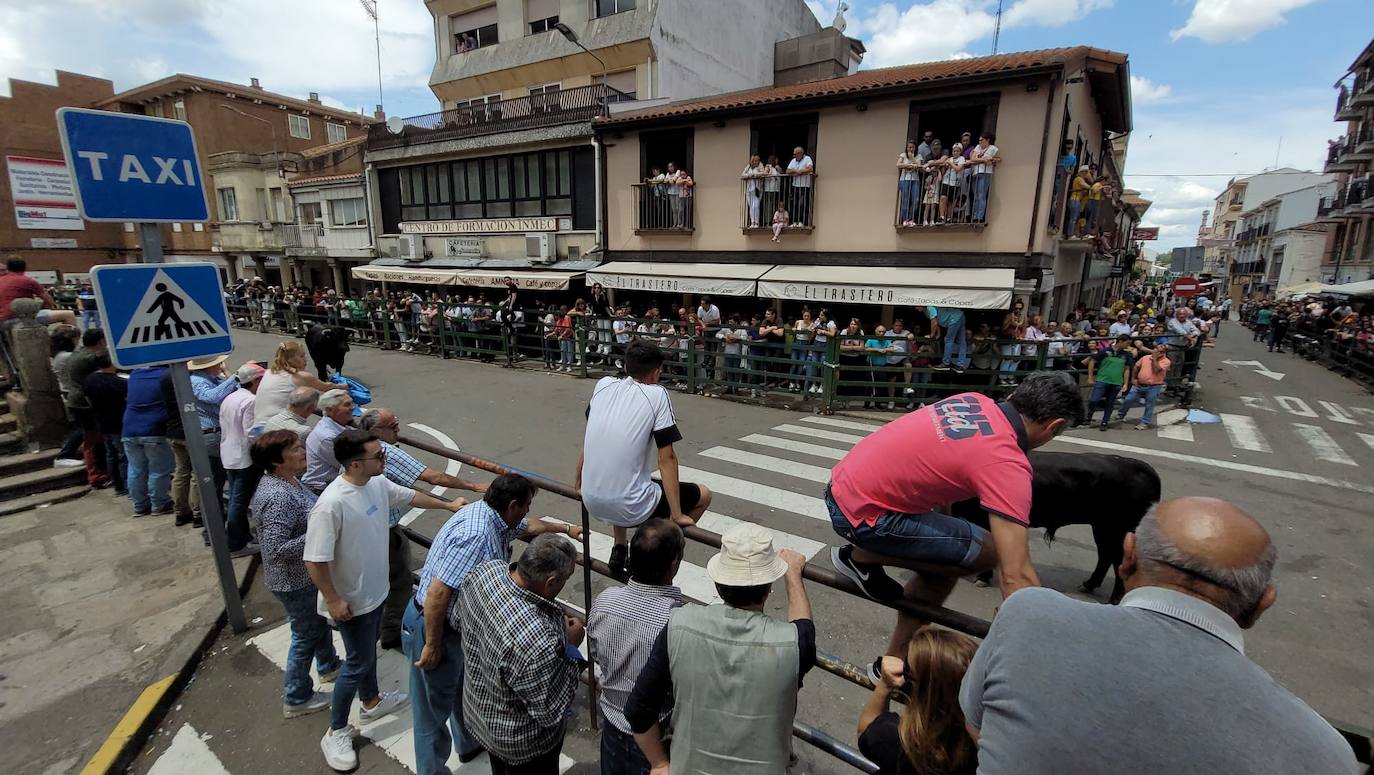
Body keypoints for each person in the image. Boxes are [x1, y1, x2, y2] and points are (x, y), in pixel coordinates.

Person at [958, 497, 1357, 774]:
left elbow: (978, 728)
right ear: (1262, 603)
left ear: (1128, 556)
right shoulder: (1326, 754)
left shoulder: (1028, 615)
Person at [828, 373, 1085, 668]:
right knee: (988, 551)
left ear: (1015, 396)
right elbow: (1016, 575)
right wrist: (1039, 644)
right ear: (1054, 426)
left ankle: (896, 660)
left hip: (841, 488)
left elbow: (940, 470)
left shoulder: (972, 401)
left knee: (951, 560)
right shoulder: (1006, 461)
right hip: (865, 517)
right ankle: (860, 558)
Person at [305, 429, 466, 772]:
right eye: (378, 455)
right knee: (357, 663)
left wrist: (447, 505)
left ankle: (371, 701)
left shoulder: (376, 483)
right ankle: (336, 731)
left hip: (374, 592)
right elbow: (314, 559)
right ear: (354, 463)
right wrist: (333, 599)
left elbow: (409, 496)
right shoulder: (331, 503)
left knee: (365, 654)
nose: (385, 458)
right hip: (351, 601)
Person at [406, 475, 578, 774]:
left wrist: (564, 529)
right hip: (434, 625)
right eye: (526, 505)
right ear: (512, 506)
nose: (528, 511)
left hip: (459, 624)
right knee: (431, 714)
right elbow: (438, 593)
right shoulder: (476, 535)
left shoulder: (495, 517)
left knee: (464, 687)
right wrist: (432, 644)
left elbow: (530, 527)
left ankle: (469, 744)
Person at [626, 524, 814, 774]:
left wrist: (659, 763)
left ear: (718, 584)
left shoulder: (678, 624)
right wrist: (793, 576)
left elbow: (638, 710)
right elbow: (804, 628)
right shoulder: (793, 643)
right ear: (768, 589)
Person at [357, 407, 489, 651]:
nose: (398, 428)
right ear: (376, 432)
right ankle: (392, 632)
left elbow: (408, 495)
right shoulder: (386, 454)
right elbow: (433, 477)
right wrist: (472, 486)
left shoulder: (365, 463)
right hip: (384, 532)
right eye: (392, 426)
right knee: (399, 582)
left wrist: (447, 505)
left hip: (372, 531)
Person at [579, 340, 713, 579]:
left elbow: (592, 437)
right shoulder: (657, 394)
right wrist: (677, 514)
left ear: (626, 366)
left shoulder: (603, 385)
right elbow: (666, 458)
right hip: (630, 505)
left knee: (627, 478)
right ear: (656, 372)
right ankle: (653, 553)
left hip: (590, 498)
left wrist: (577, 483)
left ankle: (619, 547)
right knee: (703, 495)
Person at [456, 535, 585, 775]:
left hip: (482, 718)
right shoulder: (537, 640)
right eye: (566, 578)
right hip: (523, 746)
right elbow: (551, 708)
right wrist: (571, 646)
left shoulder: (485, 572)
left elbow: (457, 620)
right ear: (550, 582)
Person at [251, 430, 342, 720]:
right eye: (294, 449)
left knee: (317, 623)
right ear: (277, 461)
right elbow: (276, 549)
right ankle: (297, 696)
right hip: (294, 580)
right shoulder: (278, 496)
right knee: (305, 635)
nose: (302, 452)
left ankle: (328, 665)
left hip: (306, 575)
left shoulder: (289, 481)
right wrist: (322, 533)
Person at [588, 519, 685, 775]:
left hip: (611, 721)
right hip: (656, 735)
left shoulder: (605, 600)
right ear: (673, 564)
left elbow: (596, 653)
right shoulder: (676, 620)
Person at [857, 627, 978, 775]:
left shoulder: (905, 745)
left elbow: (866, 729)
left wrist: (885, 684)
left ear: (925, 693)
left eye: (907, 668)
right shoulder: (984, 750)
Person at [220, 362, 267, 555]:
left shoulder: (230, 397)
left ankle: (243, 536)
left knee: (235, 498)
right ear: (255, 381)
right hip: (244, 457)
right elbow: (251, 432)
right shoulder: (250, 401)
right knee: (239, 502)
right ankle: (236, 543)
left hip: (229, 454)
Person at [188, 354, 241, 521]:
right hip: (211, 434)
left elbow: (238, 391)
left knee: (222, 479)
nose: (221, 365)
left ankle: (218, 520)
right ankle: (213, 523)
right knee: (215, 482)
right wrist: (233, 377)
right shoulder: (197, 381)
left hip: (219, 432)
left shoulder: (214, 379)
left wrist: (229, 375)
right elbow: (212, 396)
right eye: (218, 364)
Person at [121, 365, 174, 517]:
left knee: (135, 469)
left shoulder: (135, 374)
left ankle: (139, 505)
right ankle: (159, 504)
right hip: (153, 429)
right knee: (158, 470)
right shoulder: (166, 375)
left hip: (129, 428)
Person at [255, 341, 335, 429]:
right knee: (309, 432)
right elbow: (327, 387)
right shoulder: (301, 376)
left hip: (258, 425)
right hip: (276, 427)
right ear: (289, 359)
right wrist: (344, 386)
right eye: (302, 356)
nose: (305, 359)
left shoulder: (269, 372)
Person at [83, 353, 128, 500]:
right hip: (118, 422)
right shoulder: (119, 383)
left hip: (102, 422)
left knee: (111, 455)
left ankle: (118, 485)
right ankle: (126, 485)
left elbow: (88, 399)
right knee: (123, 455)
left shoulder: (90, 380)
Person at [303, 389, 354, 494]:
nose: (352, 407)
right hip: (321, 489)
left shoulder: (339, 426)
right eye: (347, 405)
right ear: (330, 410)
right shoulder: (328, 436)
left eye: (351, 403)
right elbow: (348, 465)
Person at [0, 256, 76, 326]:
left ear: (8, 268)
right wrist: (43, 307)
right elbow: (49, 301)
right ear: (25, 267)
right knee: (69, 315)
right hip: (21, 318)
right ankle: (70, 336)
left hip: (2, 319)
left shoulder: (1, 280)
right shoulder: (27, 281)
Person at [1114, 343, 1171, 429]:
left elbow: (1156, 369)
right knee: (1128, 399)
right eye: (1157, 350)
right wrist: (1133, 379)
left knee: (1149, 405)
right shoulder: (1145, 358)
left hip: (1154, 386)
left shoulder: (1166, 361)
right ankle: (1120, 415)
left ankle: (1145, 422)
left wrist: (1154, 359)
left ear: (1164, 353)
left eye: (1161, 352)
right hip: (1139, 385)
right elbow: (1136, 367)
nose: (1158, 352)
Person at [1085, 335, 1134, 431]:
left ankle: (1105, 421)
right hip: (1102, 380)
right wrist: (1090, 377)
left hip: (1116, 382)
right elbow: (1092, 361)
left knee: (1110, 403)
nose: (1128, 346)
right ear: (1120, 341)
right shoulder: (1105, 351)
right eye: (1127, 343)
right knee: (1094, 400)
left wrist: (1125, 383)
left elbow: (1127, 369)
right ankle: (1089, 416)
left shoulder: (1126, 355)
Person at [968, 132, 1000, 223]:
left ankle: (979, 216)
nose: (980, 142)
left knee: (981, 195)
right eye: (979, 140)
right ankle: (975, 215)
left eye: (982, 140)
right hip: (975, 173)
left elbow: (997, 159)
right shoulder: (977, 147)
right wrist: (984, 160)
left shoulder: (993, 148)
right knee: (976, 195)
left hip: (985, 173)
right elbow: (972, 159)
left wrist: (990, 160)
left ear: (988, 140)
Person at [927, 306, 970, 372]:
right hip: (960, 315)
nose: (916, 307)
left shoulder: (930, 307)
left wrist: (932, 335)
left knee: (949, 340)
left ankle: (946, 363)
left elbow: (934, 322)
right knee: (962, 342)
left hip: (954, 318)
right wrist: (938, 334)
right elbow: (936, 322)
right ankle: (960, 365)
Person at [998, 300, 1026, 385]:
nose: (1018, 310)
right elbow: (1004, 328)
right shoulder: (1009, 316)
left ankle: (1010, 377)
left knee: (1016, 360)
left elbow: (1024, 329)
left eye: (1020, 309)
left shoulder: (1023, 317)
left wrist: (1021, 336)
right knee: (1007, 359)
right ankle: (1002, 377)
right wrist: (1011, 322)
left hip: (1017, 340)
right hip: (1008, 339)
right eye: (1016, 308)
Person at [786, 146, 815, 226]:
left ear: (800, 153)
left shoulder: (807, 159)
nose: (794, 156)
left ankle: (801, 221)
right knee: (794, 204)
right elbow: (787, 171)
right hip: (795, 185)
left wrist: (800, 171)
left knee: (802, 204)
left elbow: (810, 169)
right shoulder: (793, 161)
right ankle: (795, 221)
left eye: (795, 154)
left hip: (804, 186)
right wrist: (795, 171)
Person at [897, 141, 923, 227]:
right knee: (905, 200)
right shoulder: (903, 155)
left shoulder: (919, 156)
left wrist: (912, 158)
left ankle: (911, 219)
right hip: (904, 180)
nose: (911, 149)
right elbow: (898, 164)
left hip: (915, 180)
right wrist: (907, 165)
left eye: (913, 147)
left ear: (915, 148)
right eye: (909, 147)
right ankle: (905, 219)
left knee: (915, 200)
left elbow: (919, 166)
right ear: (907, 148)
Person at [741, 155, 767, 228]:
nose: (756, 162)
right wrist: (750, 175)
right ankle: (752, 222)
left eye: (757, 160)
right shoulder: (748, 167)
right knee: (751, 207)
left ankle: (757, 222)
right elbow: (742, 175)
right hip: (749, 190)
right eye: (755, 160)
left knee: (756, 206)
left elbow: (764, 173)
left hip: (757, 189)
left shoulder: (760, 165)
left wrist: (754, 175)